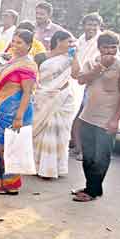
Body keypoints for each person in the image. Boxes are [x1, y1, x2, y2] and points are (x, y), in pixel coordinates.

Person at [71, 32, 120, 203]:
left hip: (106, 121)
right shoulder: (92, 63)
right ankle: (92, 187)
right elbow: (81, 80)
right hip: (88, 117)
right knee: (88, 156)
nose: (110, 51)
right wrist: (99, 69)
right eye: (106, 47)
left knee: (101, 158)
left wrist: (115, 120)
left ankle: (92, 191)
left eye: (114, 47)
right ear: (99, 48)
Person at [0, 29, 38, 195]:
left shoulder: (27, 65)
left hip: (14, 112)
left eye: (19, 42)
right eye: (13, 41)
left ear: (29, 46)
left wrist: (19, 116)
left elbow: (28, 92)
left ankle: (10, 184)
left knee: (11, 147)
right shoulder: (12, 61)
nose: (15, 45)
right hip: (0, 108)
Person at [32, 30, 79, 179]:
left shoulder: (69, 58)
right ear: (58, 41)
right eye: (69, 41)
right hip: (43, 97)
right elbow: (33, 76)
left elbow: (76, 75)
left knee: (58, 133)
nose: (72, 44)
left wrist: (75, 57)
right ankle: (37, 166)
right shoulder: (41, 57)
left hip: (63, 98)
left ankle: (53, 169)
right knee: (41, 133)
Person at [70, 13, 104, 158]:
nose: (91, 28)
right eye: (89, 24)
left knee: (87, 116)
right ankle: (78, 147)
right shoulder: (81, 39)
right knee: (76, 114)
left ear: (99, 26)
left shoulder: (101, 40)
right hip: (77, 81)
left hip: (94, 81)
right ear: (84, 25)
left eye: (95, 25)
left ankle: (85, 150)